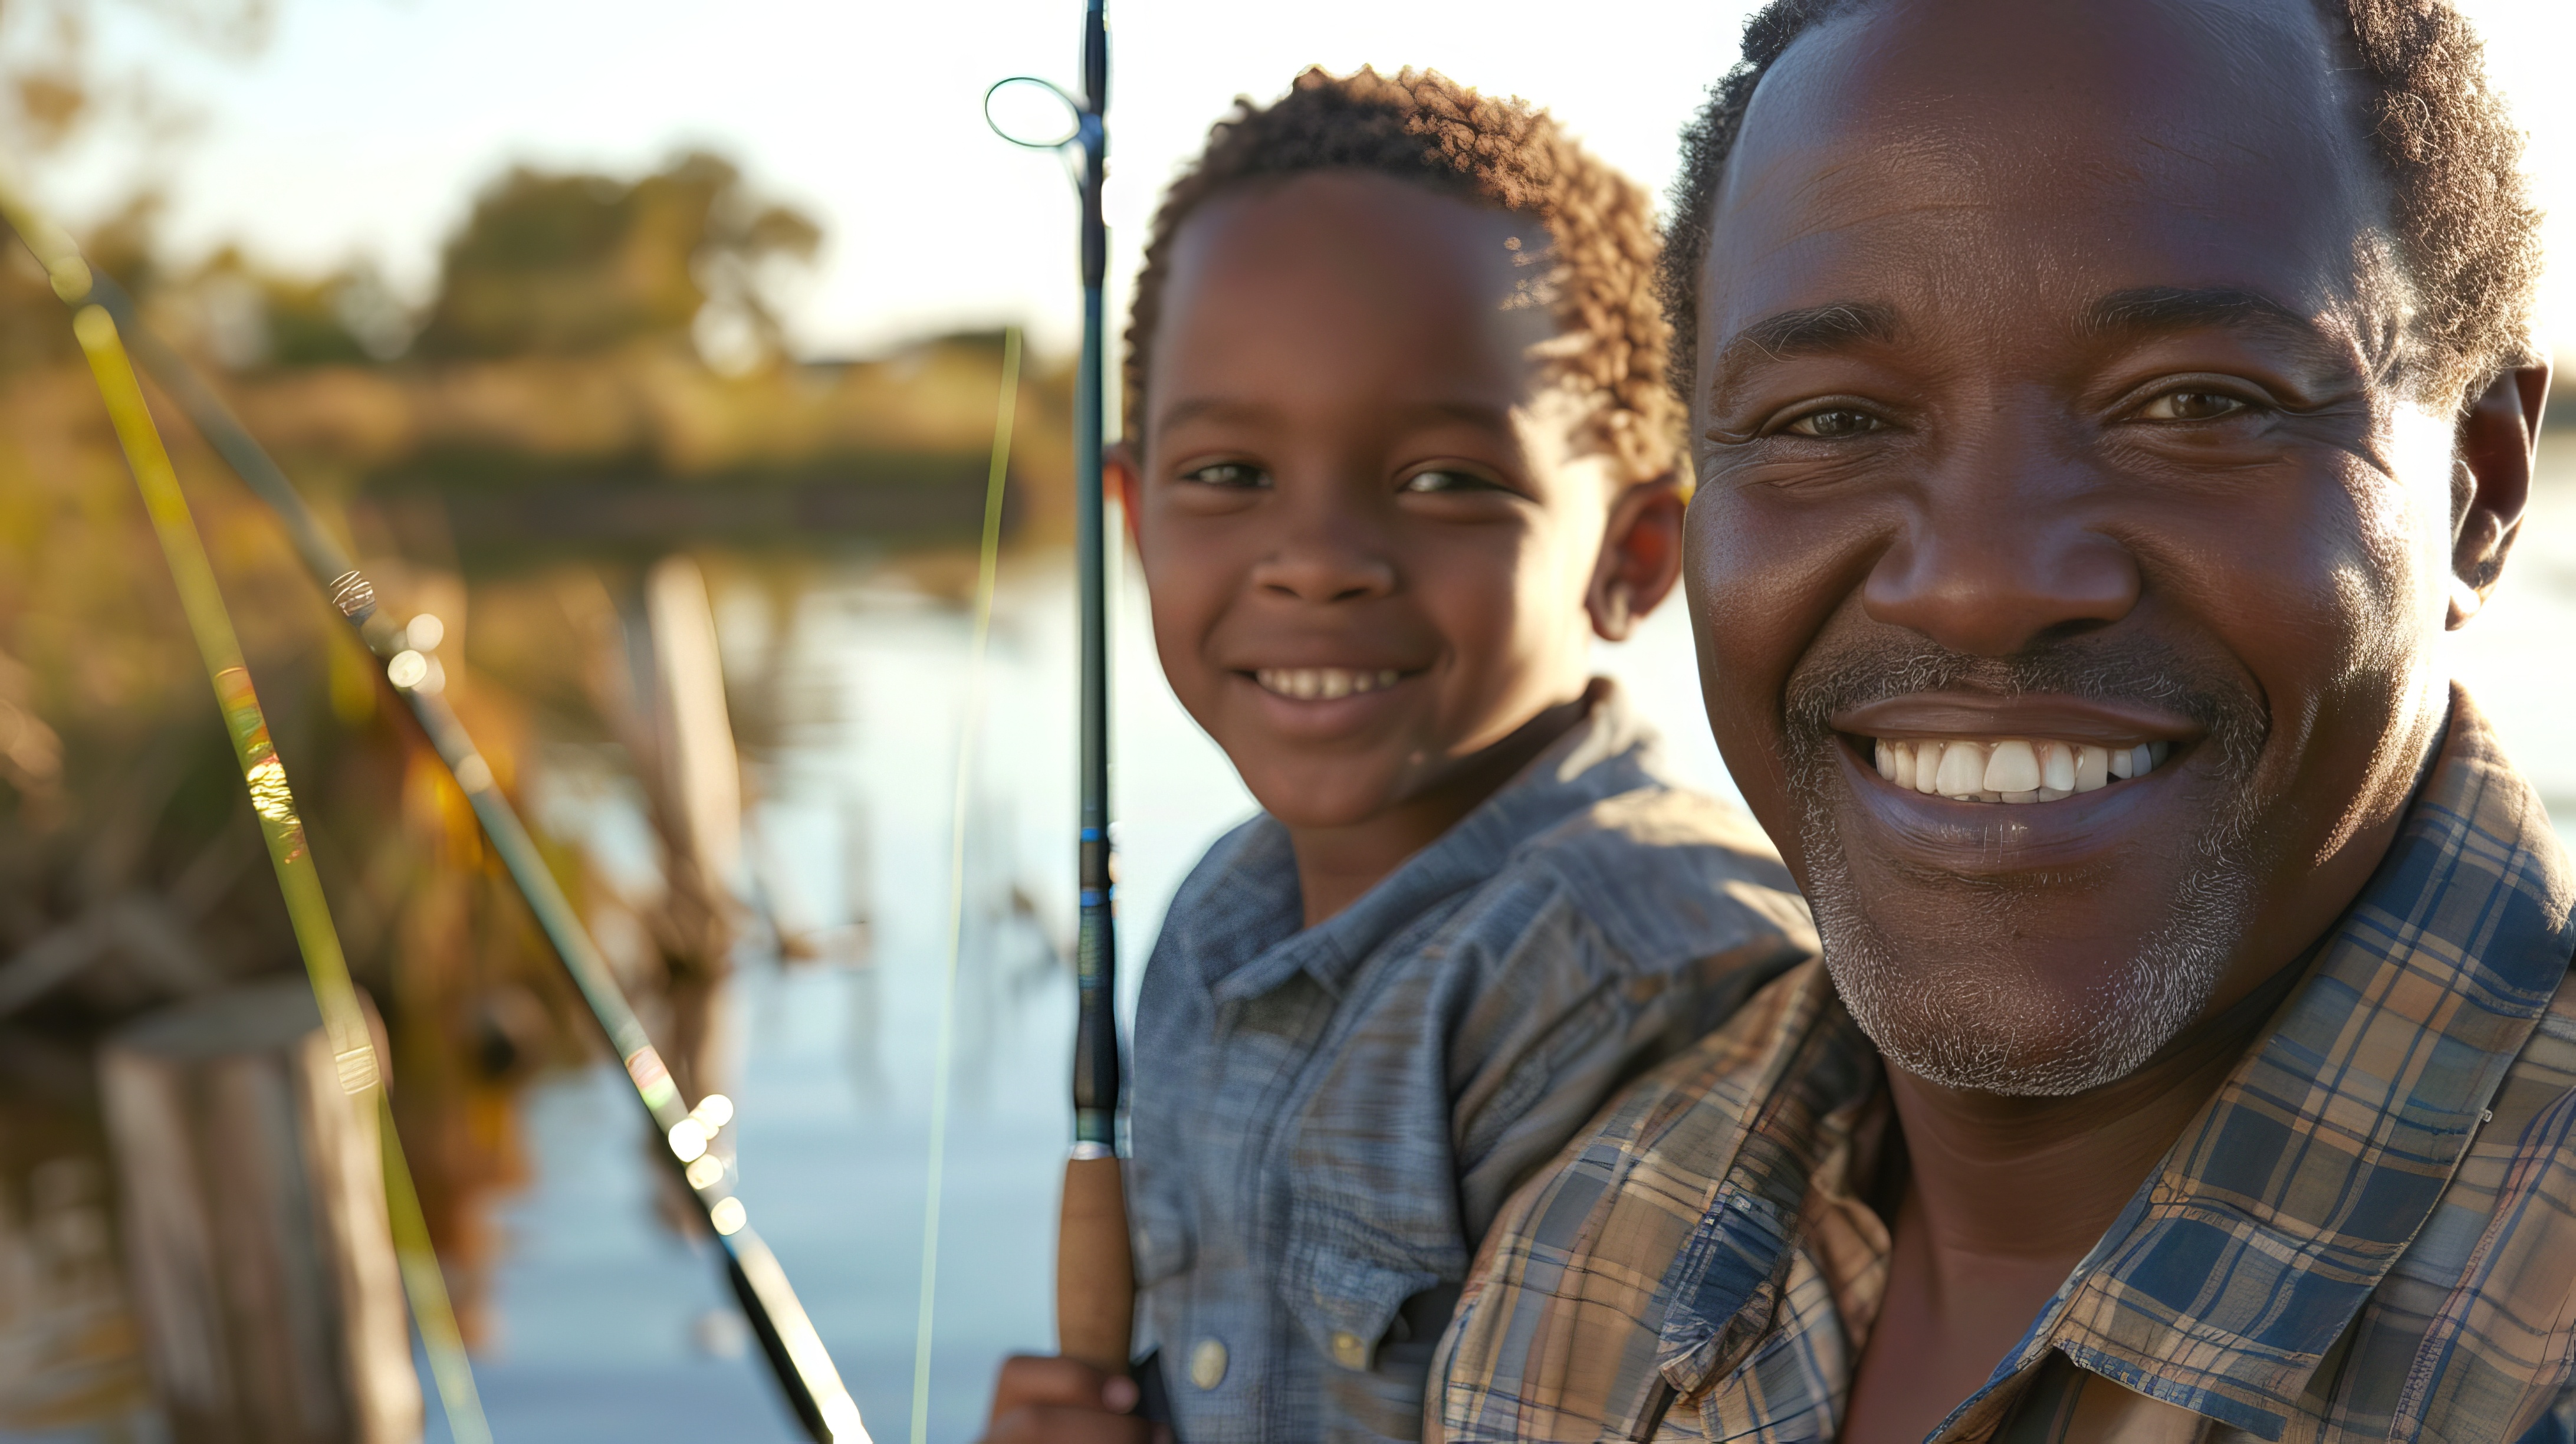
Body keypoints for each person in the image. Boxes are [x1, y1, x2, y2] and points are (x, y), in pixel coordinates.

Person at [1428, 0, 2574, 1439]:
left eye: (2196, 402)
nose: (1979, 582)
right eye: (1830, 421)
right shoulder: (1582, 1264)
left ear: (2480, 489)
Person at [985, 68, 1817, 1443]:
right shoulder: (1217, 917)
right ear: (1133, 520)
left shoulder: (1644, 974)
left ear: (1635, 555)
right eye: (1229, 476)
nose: (1314, 564)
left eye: (1445, 480)